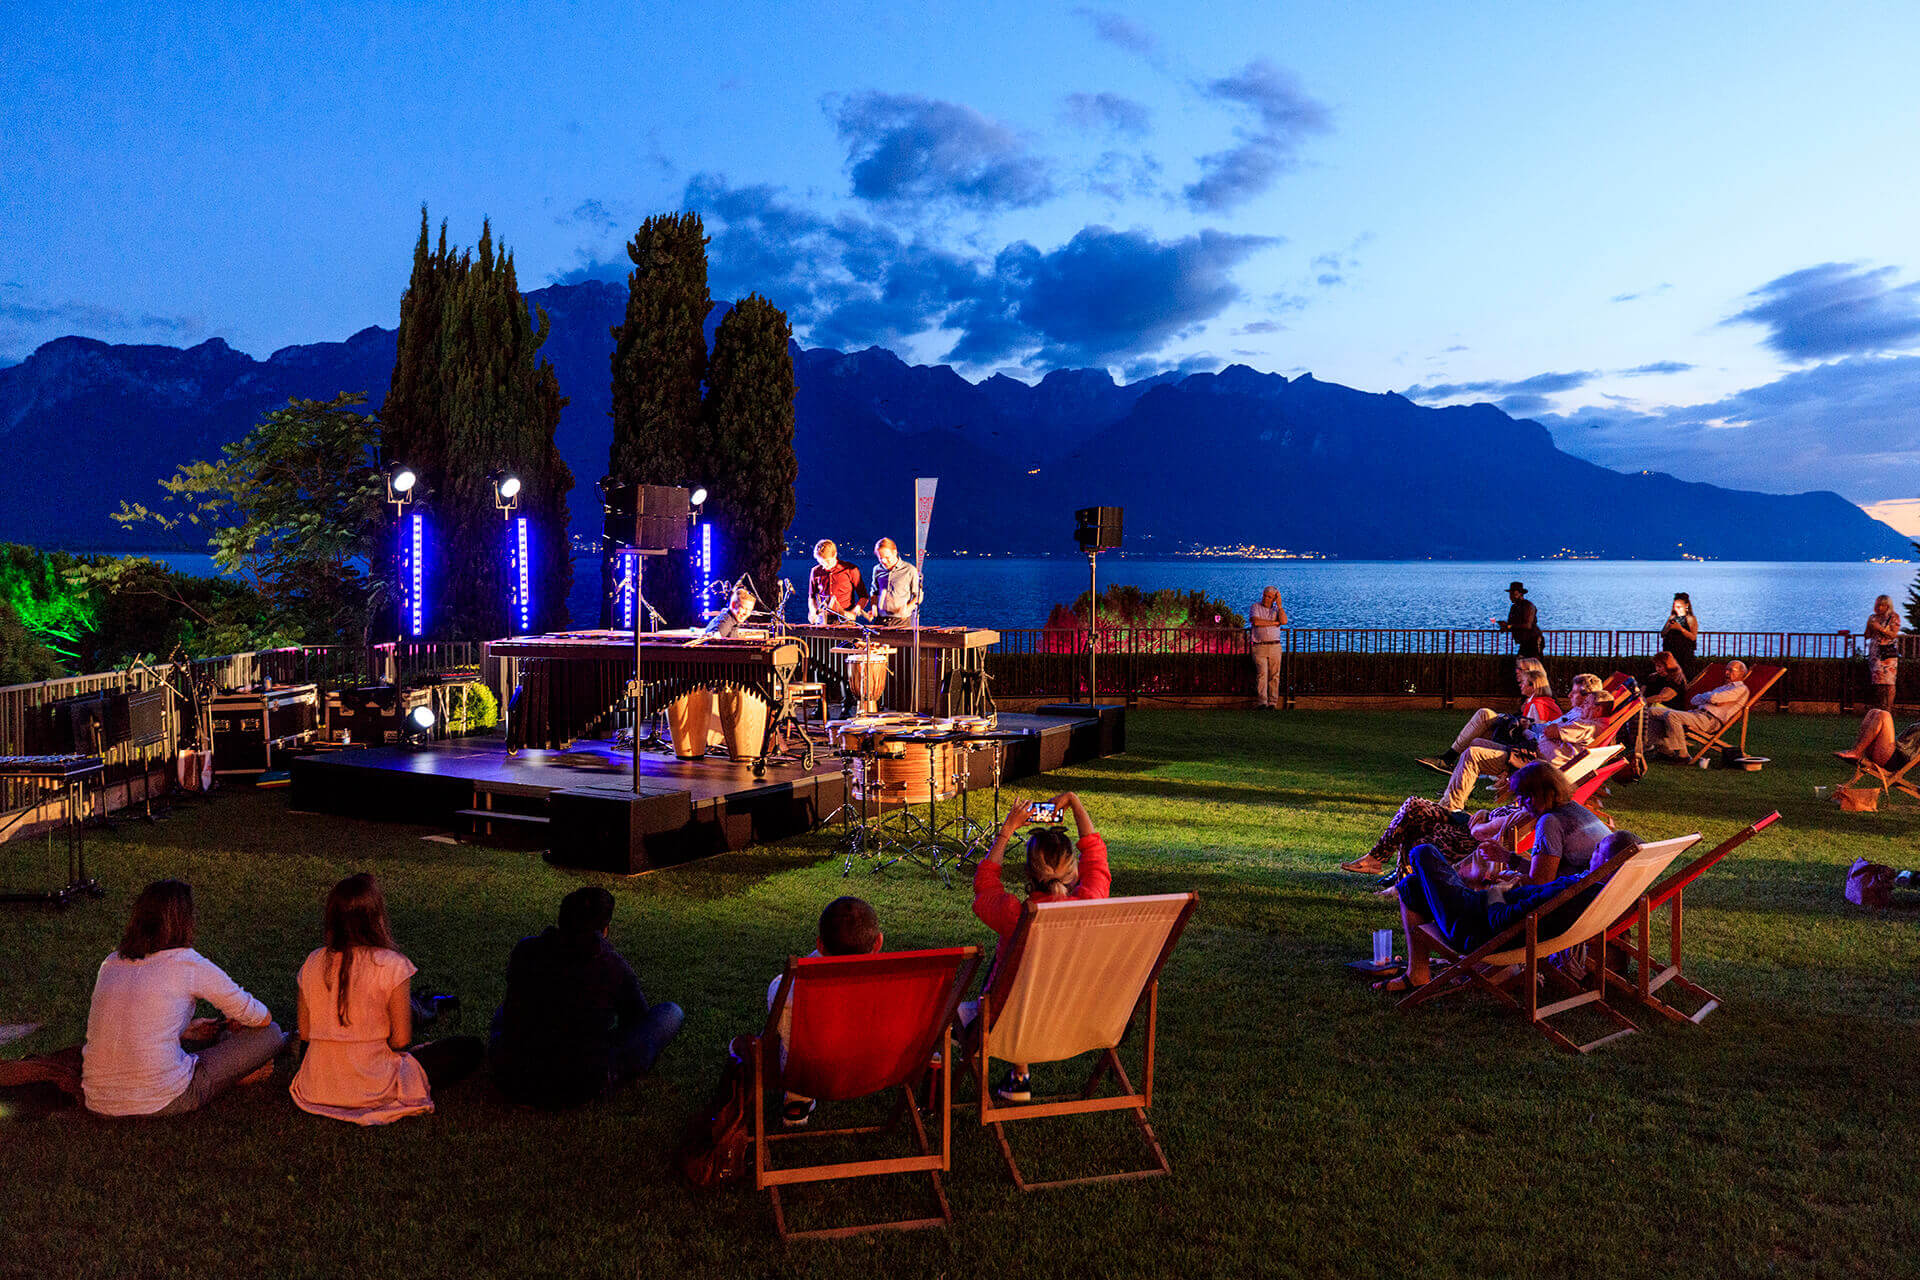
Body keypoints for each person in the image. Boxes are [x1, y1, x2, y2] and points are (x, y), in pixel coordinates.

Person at [81, 879, 286, 1117]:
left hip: (98, 1100)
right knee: (271, 1034)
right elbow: (260, 1017)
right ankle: (236, 1075)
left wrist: (185, 1030)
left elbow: (127, 1021)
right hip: (163, 1098)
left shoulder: (111, 962)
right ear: (184, 921)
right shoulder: (186, 962)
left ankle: (229, 1059)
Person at [291, 873, 482, 1124]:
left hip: (316, 1087)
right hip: (374, 1087)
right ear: (377, 918)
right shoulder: (393, 965)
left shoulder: (313, 961)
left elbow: (305, 1033)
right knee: (469, 1048)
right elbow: (401, 1039)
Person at [1375, 829, 1643, 993]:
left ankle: (1417, 973)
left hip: (1473, 927)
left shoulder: (1576, 891)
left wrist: (1496, 891)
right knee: (1411, 884)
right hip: (1483, 914)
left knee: (1423, 852)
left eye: (1598, 849)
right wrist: (1510, 891)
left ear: (1607, 863)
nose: (1593, 852)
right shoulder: (1603, 892)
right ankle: (1417, 974)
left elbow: (1502, 922)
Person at [490, 886, 685, 1109]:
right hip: (576, 1084)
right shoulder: (612, 966)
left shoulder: (526, 949)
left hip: (512, 1074)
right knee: (671, 1013)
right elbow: (637, 1019)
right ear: (604, 929)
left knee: (504, 1011)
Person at [972, 791, 1111, 1103]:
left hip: (1012, 1022)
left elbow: (984, 888)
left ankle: (1017, 1071)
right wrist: (1076, 802)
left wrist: (1007, 831)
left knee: (990, 995)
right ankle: (1017, 1077)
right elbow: (1096, 855)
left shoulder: (1014, 915)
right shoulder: (1092, 903)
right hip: (1079, 1020)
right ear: (1075, 870)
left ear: (1028, 875)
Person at [766, 896, 884, 1129]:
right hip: (875, 1069)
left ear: (820, 945)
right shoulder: (896, 986)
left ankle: (797, 1103)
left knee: (789, 1043)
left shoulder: (784, 990)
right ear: (878, 942)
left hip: (808, 1072)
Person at [1435, 675, 1612, 809]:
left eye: (1585, 700)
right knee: (1476, 743)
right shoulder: (1580, 716)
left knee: (1473, 754)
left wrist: (1541, 732)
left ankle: (1450, 807)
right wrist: (1536, 728)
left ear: (1594, 703)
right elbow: (1550, 730)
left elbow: (1552, 731)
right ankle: (1453, 796)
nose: (1570, 695)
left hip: (1538, 763)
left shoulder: (1589, 725)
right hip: (1532, 750)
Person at [1418, 661, 1559, 774]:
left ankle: (1449, 760)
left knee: (1484, 715)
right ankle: (1455, 769)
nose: (1517, 673)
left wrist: (1516, 725)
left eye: (1521, 670)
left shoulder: (1540, 705)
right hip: (1522, 745)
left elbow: (1536, 737)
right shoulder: (1532, 702)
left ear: (1533, 680)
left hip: (1527, 751)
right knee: (1477, 736)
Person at [1338, 797, 1530, 878]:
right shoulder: (1521, 809)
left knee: (1415, 822)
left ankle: (1385, 867)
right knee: (1414, 806)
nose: (1518, 796)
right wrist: (1483, 811)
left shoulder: (1522, 814)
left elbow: (1479, 832)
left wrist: (1481, 817)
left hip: (1466, 838)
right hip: (1464, 825)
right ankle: (1383, 865)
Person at [1647, 659, 1749, 760]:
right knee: (1651, 711)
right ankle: (1664, 749)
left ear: (1741, 673)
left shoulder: (1741, 689)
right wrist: (1710, 698)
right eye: (1726, 669)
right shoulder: (1723, 688)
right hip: (1697, 714)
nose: (1726, 672)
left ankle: (1683, 756)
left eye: (1731, 670)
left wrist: (1709, 697)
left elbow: (1714, 698)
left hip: (1710, 720)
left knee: (1671, 715)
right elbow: (1694, 700)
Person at [1833, 708, 1920, 770]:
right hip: (1890, 751)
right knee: (1874, 712)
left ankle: (1857, 752)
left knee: (1884, 715)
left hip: (1894, 760)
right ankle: (1856, 750)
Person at [863, 538, 922, 623]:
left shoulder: (910, 570)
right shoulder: (877, 569)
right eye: (880, 558)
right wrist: (873, 607)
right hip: (880, 620)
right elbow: (874, 593)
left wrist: (908, 608)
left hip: (901, 621)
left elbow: (918, 596)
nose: (884, 561)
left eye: (887, 557)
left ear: (895, 552)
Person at [1249, 586, 1288, 709]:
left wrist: (1280, 606)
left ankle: (1272, 702)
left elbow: (1284, 621)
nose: (1266, 598)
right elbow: (1256, 622)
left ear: (1274, 598)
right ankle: (1262, 702)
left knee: (1274, 675)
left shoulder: (1277, 610)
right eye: (1265, 595)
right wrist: (1275, 623)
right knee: (1262, 674)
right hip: (1259, 646)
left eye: (1269, 597)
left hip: (1275, 646)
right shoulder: (1255, 607)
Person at [806, 540, 863, 624]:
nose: (825, 565)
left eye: (828, 561)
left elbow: (863, 596)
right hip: (824, 619)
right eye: (821, 562)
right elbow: (812, 596)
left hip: (845, 620)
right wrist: (813, 611)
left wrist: (854, 612)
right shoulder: (815, 571)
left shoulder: (851, 569)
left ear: (835, 555)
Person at [1865, 595, 1901, 712]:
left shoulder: (1893, 617)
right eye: (1878, 605)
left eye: (1883, 605)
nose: (1880, 607)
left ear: (1888, 606)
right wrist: (1870, 627)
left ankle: (1888, 708)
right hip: (1875, 654)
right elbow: (1867, 635)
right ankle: (1879, 708)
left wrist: (1880, 628)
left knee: (1889, 682)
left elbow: (1893, 634)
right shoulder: (1873, 617)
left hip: (1888, 654)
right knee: (1877, 682)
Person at [1493, 581, 1543, 659]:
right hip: (1525, 641)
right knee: (1523, 665)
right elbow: (1513, 624)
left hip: (1533, 640)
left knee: (1532, 666)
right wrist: (1505, 626)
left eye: (1514, 594)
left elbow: (1527, 625)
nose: (1511, 597)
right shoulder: (1514, 607)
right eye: (1510, 594)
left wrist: (1509, 626)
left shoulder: (1528, 606)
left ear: (1521, 594)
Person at [1661, 594, 1699, 674]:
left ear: (1686, 605)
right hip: (1670, 651)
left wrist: (1680, 629)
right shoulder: (1672, 618)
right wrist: (1669, 627)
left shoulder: (1690, 619)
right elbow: (1662, 633)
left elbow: (1693, 637)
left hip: (1684, 653)